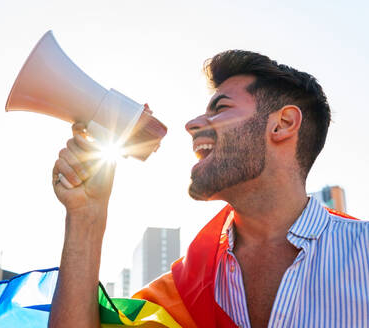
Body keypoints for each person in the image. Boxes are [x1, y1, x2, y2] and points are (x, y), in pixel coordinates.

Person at [48, 50, 369, 328]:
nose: (192, 124)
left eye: (222, 107)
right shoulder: (187, 287)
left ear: (282, 124)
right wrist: (86, 215)